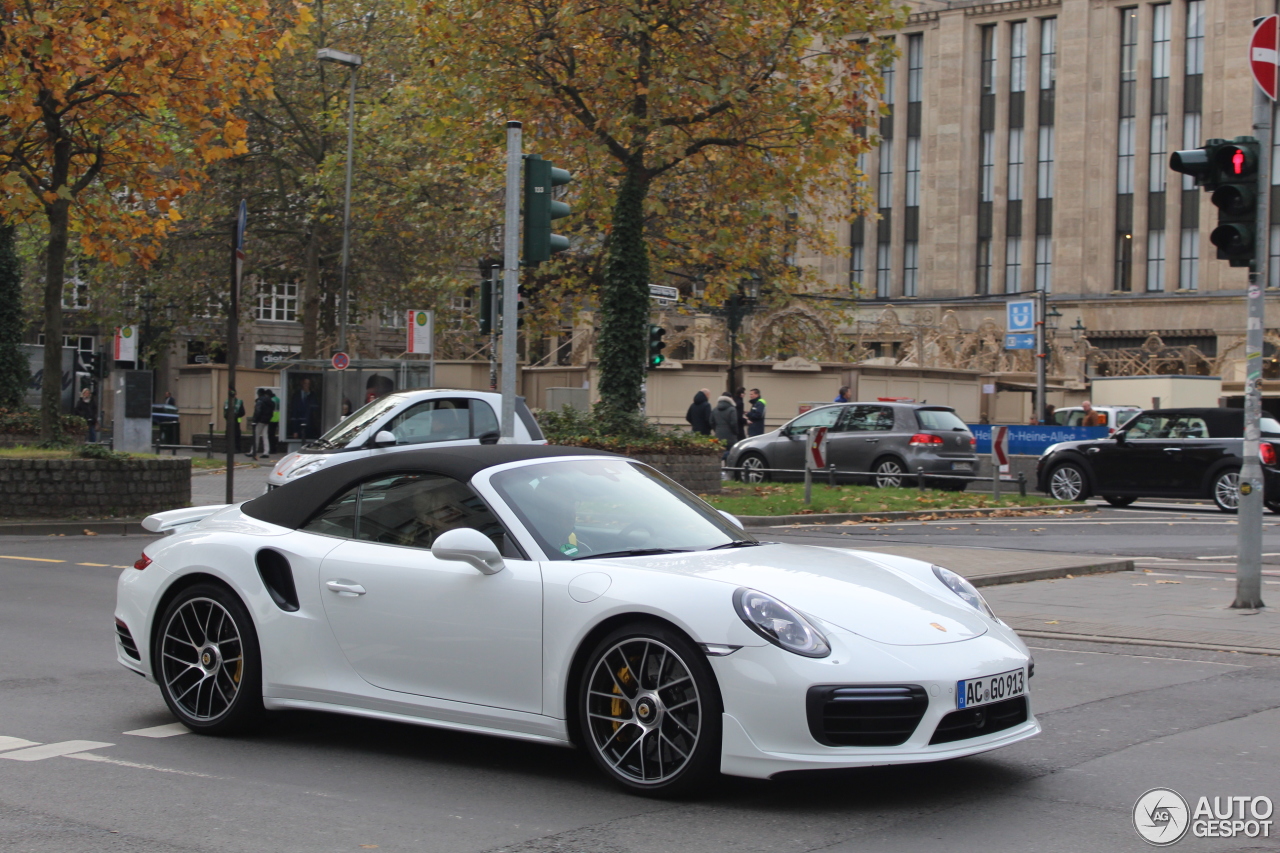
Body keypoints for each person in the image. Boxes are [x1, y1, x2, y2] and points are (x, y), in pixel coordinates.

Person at [249, 388, 275, 460]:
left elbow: (258, 411)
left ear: (259, 394)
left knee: (256, 435)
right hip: (267, 420)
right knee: (265, 436)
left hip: (260, 421)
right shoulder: (270, 401)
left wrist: (254, 420)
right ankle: (266, 452)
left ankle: (253, 451)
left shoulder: (260, 401)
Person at [224, 388, 245, 453]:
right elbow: (224, 412)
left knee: (236, 434)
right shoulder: (227, 402)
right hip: (229, 420)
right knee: (228, 434)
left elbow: (242, 412)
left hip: (237, 420)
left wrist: (237, 415)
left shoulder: (239, 402)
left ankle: (237, 448)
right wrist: (227, 417)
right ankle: (228, 448)